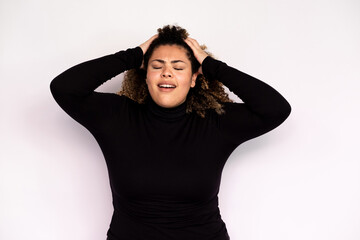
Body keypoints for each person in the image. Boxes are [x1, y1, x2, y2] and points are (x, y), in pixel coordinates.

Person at [50, 25, 291, 240]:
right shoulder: (117, 116)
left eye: (178, 67)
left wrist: (211, 65)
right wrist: (132, 55)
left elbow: (276, 109)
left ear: (194, 78)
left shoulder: (215, 121)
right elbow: (64, 88)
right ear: (145, 75)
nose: (167, 73)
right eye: (157, 66)